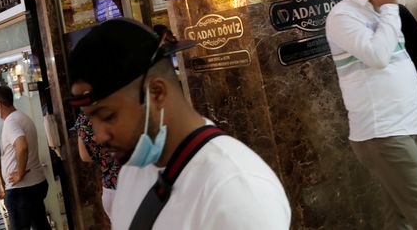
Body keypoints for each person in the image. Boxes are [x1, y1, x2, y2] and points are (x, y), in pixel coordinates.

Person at [66, 18, 291, 230]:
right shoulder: (132, 171)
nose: (98, 136)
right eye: (90, 119)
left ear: (156, 92)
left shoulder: (236, 193)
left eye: (107, 116)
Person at [325, 0, 417, 230]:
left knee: (397, 217)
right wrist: (391, 10)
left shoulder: (379, 11)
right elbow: (377, 55)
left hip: (404, 124)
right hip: (384, 132)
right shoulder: (343, 16)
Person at [0, 86, 50, 230]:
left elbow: (22, 146)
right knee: (41, 226)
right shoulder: (21, 117)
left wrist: (20, 173)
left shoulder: (11, 122)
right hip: (33, 184)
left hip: (22, 190)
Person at [75, 111, 121, 219]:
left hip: (109, 189)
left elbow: (84, 156)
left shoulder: (84, 118)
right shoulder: (120, 107)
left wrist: (103, 156)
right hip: (131, 184)